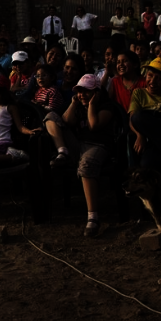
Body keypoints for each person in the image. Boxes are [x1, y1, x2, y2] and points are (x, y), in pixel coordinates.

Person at [61, 74, 118, 237]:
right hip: (79, 145)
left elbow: (93, 125)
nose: (82, 95)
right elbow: (66, 121)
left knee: (86, 165)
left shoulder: (107, 107)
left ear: (97, 92)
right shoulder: (79, 105)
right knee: (51, 118)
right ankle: (61, 152)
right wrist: (73, 104)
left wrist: (92, 104)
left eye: (87, 91)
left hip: (99, 146)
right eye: (79, 91)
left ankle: (93, 217)